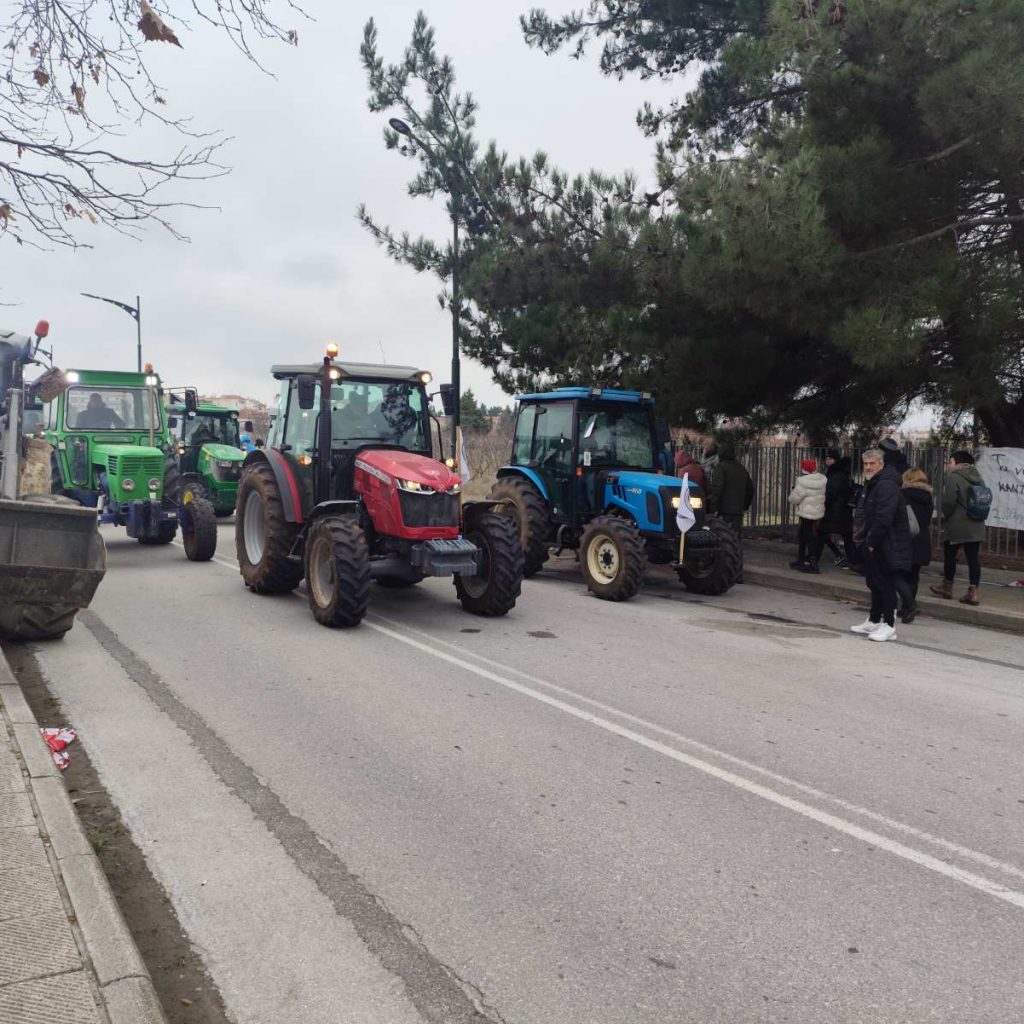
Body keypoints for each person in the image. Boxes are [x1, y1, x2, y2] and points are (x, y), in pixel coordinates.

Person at [850, 447, 912, 642]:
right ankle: (874, 619)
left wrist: (871, 542)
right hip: (877, 540)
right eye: (865, 464)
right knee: (874, 582)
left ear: (881, 464)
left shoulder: (886, 485)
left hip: (886, 542)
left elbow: (883, 518)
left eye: (872, 464)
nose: (868, 467)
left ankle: (889, 625)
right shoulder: (876, 483)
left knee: (885, 584)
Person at [930, 450, 986, 606]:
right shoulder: (978, 478)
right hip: (976, 523)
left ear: (959, 463)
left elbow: (949, 501)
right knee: (973, 559)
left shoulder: (954, 477)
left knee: (950, 555)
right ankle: (973, 592)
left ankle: (947, 587)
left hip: (958, 523)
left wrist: (946, 515)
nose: (948, 465)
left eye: (950, 462)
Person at [894, 467, 934, 623]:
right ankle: (906, 607)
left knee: (897, 574)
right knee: (913, 576)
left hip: (905, 538)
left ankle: (910, 605)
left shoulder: (902, 495)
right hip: (922, 539)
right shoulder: (927, 497)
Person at [814, 448, 857, 569]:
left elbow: (831, 492)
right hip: (842, 511)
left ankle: (813, 561)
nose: (827, 461)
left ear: (836, 460)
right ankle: (854, 562)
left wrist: (823, 501)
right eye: (826, 459)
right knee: (847, 536)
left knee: (821, 533)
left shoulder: (835, 474)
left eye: (830, 459)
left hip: (834, 511)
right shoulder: (841, 472)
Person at [788, 457, 827, 572]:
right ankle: (801, 559)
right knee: (804, 535)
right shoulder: (821, 480)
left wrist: (793, 492)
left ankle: (812, 563)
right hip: (817, 512)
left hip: (806, 513)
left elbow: (794, 499)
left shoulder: (802, 481)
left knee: (807, 536)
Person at [709, 444, 753, 533]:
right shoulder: (741, 468)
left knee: (724, 535)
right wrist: (745, 506)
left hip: (724, 510)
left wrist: (712, 508)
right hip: (738, 511)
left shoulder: (721, 467)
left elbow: (717, 489)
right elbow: (750, 489)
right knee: (735, 535)